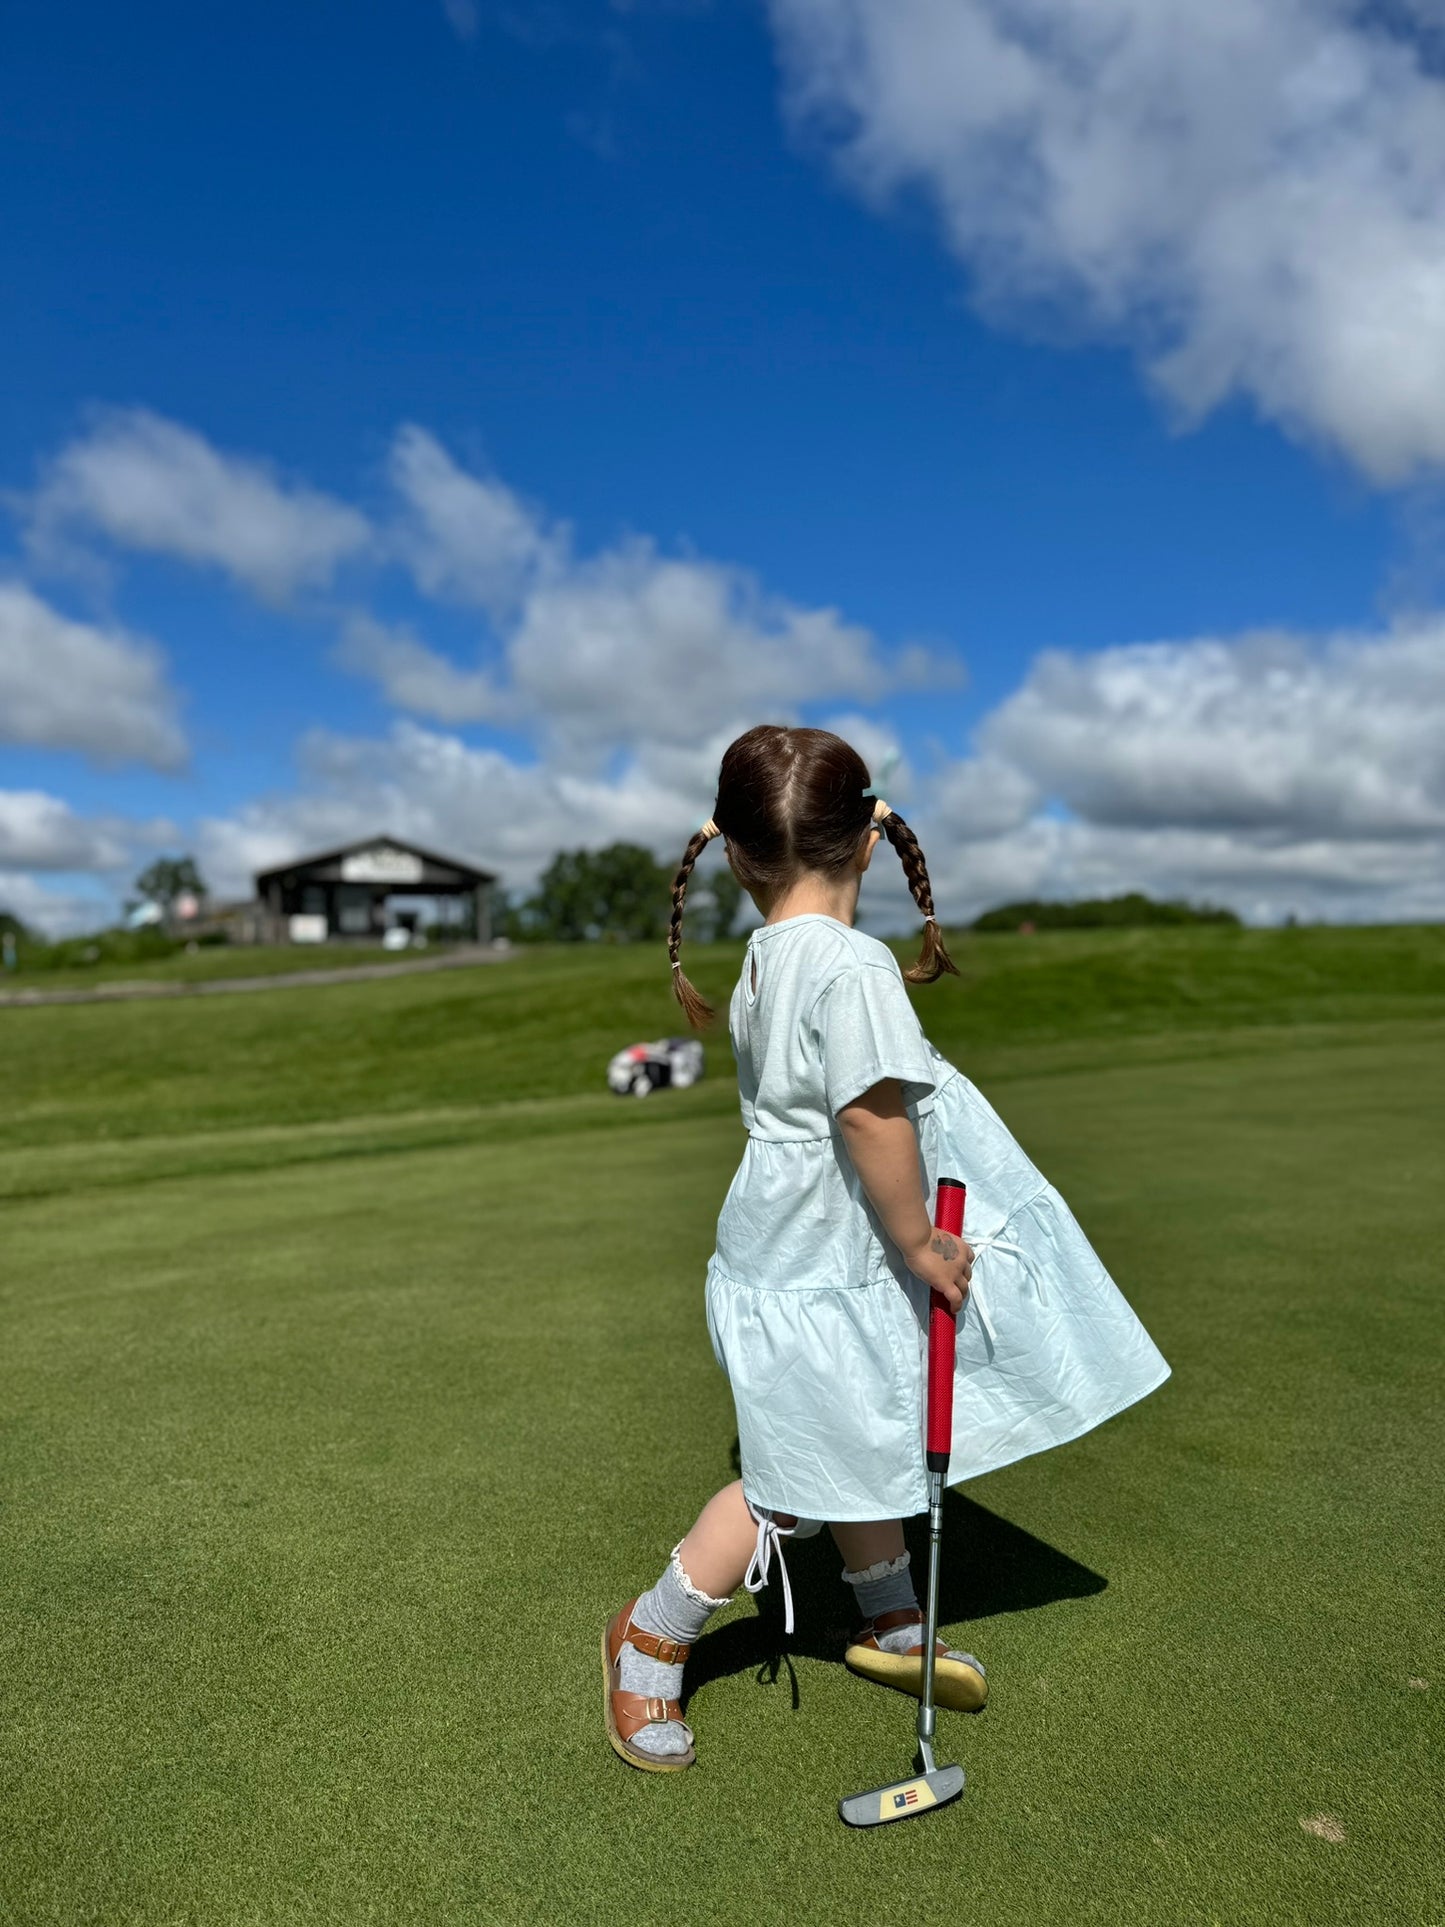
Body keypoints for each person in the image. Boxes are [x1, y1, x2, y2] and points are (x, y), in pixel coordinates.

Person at [602, 724, 1168, 1774]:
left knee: (860, 1419)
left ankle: (883, 1611)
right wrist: (916, 1237)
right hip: (824, 1255)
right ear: (870, 839)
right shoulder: (852, 964)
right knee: (783, 1483)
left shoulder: (767, 957)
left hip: (795, 1251)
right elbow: (869, 1120)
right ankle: (651, 1632)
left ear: (731, 854)